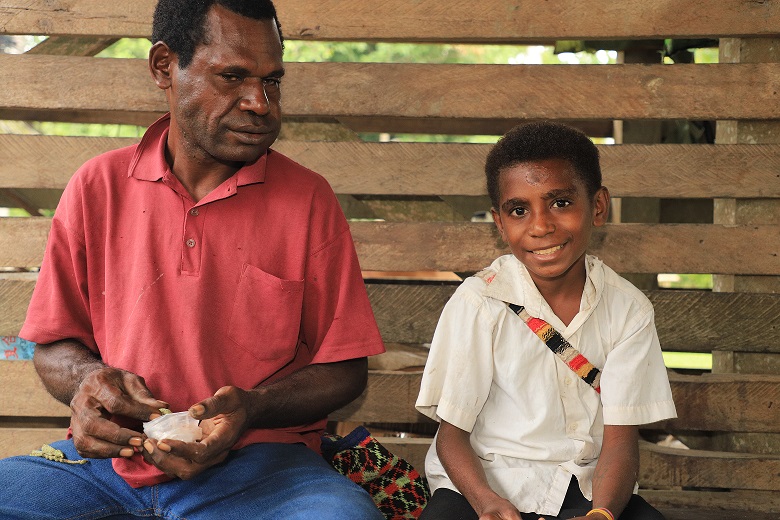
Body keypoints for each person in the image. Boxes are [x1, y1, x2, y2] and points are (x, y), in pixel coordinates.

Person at [0, 0, 385, 518]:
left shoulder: (308, 199)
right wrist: (88, 381)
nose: (261, 103)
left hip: (262, 467)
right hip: (105, 467)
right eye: (233, 76)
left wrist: (253, 409)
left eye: (272, 81)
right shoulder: (97, 187)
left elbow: (344, 369)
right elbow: (53, 347)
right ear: (164, 67)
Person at [415, 121, 677, 520]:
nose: (540, 226)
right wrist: (487, 502)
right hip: (485, 483)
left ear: (599, 206)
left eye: (560, 203)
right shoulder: (480, 302)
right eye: (519, 210)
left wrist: (602, 514)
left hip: (589, 488)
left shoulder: (628, 309)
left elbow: (621, 441)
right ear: (500, 224)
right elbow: (451, 437)